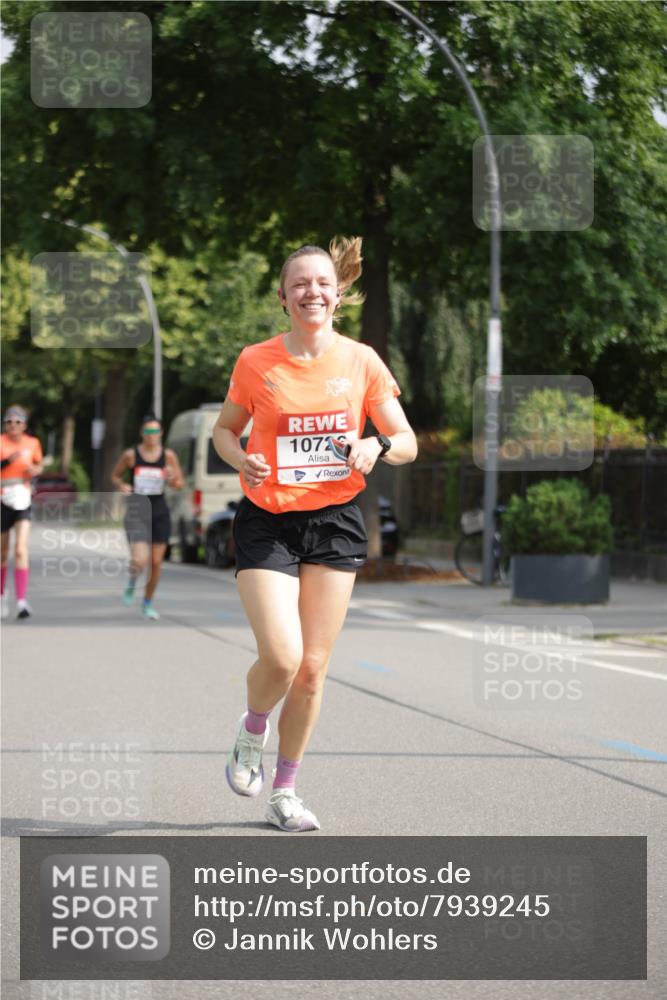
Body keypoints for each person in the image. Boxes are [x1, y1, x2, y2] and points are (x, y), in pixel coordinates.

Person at [213, 237, 418, 832]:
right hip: (268, 518)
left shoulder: (361, 360)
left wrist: (376, 444)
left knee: (312, 668)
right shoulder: (256, 361)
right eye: (300, 284)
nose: (312, 292)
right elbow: (225, 432)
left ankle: (285, 792)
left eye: (323, 283)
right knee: (282, 657)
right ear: (283, 297)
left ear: (338, 294)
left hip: (335, 520)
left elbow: (407, 441)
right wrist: (242, 458)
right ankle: (252, 730)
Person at [111, 414, 184, 620]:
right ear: (142, 433)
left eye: (155, 431)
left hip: (159, 511)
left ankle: (147, 602)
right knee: (139, 560)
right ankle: (133, 581)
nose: (151, 435)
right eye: (148, 431)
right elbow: (115, 475)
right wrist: (122, 485)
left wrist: (172, 479)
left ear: (161, 433)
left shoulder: (168, 456)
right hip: (137, 510)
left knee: (156, 562)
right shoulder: (131, 455)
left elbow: (179, 484)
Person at [1, 405, 44, 619]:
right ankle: (2, 595)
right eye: (9, 421)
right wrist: (7, 461)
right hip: (2, 498)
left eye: (18, 421)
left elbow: (39, 466)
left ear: (24, 425)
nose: (13, 425)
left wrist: (35, 470)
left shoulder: (32, 443)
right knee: (2, 553)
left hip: (22, 498)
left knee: (20, 550)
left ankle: (21, 602)